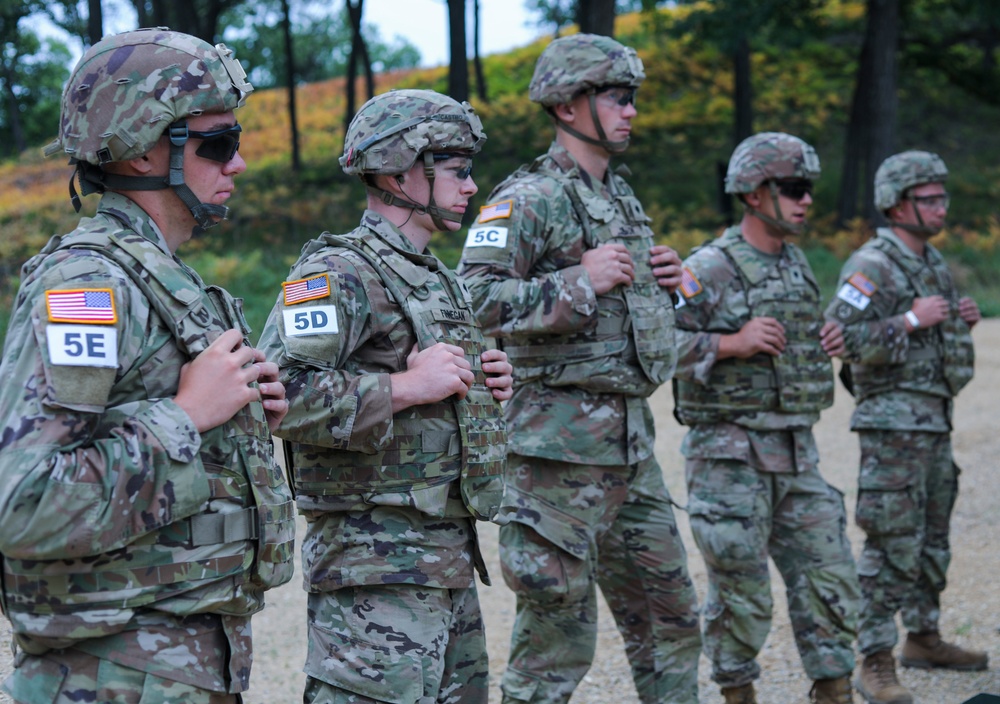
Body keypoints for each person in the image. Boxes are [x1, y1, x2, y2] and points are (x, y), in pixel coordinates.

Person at [0, 29, 295, 704]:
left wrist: (238, 419)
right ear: (137, 150)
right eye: (218, 144)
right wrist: (187, 416)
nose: (240, 163)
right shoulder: (86, 289)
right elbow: (20, 504)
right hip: (110, 677)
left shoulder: (159, 280)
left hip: (172, 668)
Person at [457, 33, 701, 704]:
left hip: (630, 447)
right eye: (617, 98)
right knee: (557, 637)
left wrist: (667, 281)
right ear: (566, 106)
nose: (631, 112)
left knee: (671, 615)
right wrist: (578, 283)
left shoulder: (619, 198)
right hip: (555, 455)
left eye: (633, 99)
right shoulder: (529, 198)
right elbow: (471, 300)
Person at [256, 88, 513, 704]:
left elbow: (431, 387)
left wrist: (479, 382)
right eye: (457, 170)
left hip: (440, 557)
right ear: (401, 171)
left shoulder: (432, 275)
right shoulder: (336, 273)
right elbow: (276, 392)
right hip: (372, 566)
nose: (471, 187)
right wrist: (405, 386)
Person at [672, 132, 860, 704]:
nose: (807, 200)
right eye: (794, 189)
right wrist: (729, 344)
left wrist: (828, 335)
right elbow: (653, 344)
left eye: (810, 189)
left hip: (797, 453)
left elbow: (792, 337)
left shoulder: (797, 262)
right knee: (741, 592)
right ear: (754, 194)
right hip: (729, 459)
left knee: (831, 576)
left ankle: (834, 688)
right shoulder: (709, 265)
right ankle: (737, 694)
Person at [826, 150, 986, 704]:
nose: (942, 206)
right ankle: (874, 659)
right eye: (930, 198)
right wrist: (913, 320)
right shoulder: (872, 263)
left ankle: (923, 636)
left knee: (931, 538)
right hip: (892, 426)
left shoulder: (928, 260)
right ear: (897, 204)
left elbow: (930, 326)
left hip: (932, 421)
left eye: (943, 197)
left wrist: (955, 320)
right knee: (892, 541)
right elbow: (839, 336)